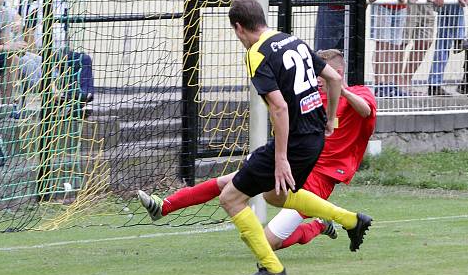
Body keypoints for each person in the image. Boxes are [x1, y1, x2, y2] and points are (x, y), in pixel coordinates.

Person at [142, 0, 371, 275]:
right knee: (275, 195)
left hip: (295, 141)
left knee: (231, 197)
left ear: (239, 28)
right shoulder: (293, 41)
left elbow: (279, 107)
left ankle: (271, 268)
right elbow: (334, 80)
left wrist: (280, 158)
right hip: (313, 139)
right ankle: (350, 220)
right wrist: (331, 118)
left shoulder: (257, 53)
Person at [138, 48, 377, 253]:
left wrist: (341, 89)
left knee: (266, 243)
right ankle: (165, 206)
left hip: (321, 178)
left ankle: (319, 225)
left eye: (321, 77)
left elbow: (365, 111)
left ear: (337, 74)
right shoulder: (314, 98)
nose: (316, 81)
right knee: (230, 183)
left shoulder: (360, 93)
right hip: (297, 163)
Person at [16, 0, 94, 103]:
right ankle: (70, 98)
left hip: (58, 52)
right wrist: (42, 57)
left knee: (84, 60)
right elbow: (27, 29)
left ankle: (82, 100)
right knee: (54, 69)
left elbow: (65, 30)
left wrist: (65, 52)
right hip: (37, 52)